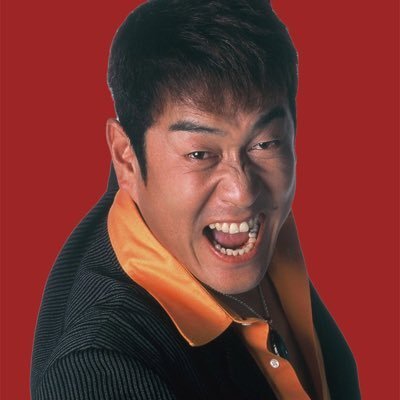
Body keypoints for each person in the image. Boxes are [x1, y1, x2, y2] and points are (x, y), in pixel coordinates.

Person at [31, 0, 361, 399]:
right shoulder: (97, 369)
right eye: (201, 154)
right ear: (126, 157)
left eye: (264, 143)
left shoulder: (185, 200)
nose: (242, 192)